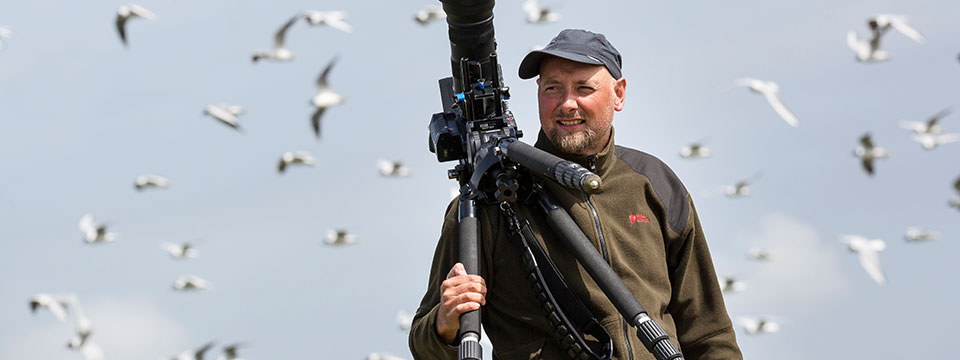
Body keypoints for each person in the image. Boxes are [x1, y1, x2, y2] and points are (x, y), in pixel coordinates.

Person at [409, 29, 742, 360]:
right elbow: (424, 345)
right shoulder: (488, 200)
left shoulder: (654, 183)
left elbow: (709, 333)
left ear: (619, 94)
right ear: (538, 92)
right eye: (553, 88)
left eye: (584, 88)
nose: (567, 103)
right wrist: (445, 323)